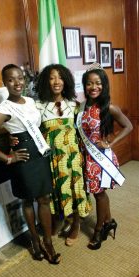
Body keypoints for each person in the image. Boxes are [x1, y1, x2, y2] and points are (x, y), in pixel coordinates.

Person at [0, 64, 61, 264]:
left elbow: (37, 125)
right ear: (4, 82)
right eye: (11, 79)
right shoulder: (4, 108)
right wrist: (8, 157)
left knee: (44, 199)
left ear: (25, 80)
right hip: (22, 158)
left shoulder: (31, 101)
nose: (17, 83)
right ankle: (34, 239)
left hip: (38, 153)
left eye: (20, 78)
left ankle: (47, 241)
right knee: (27, 200)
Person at [77, 63, 133, 250]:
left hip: (99, 159)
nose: (94, 87)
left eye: (98, 83)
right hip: (86, 156)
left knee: (99, 195)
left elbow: (128, 126)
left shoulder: (108, 107)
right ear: (84, 86)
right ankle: (109, 221)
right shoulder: (82, 107)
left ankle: (99, 229)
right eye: (89, 83)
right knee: (98, 193)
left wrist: (110, 143)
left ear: (104, 85)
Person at [35, 64, 92, 246]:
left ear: (66, 80)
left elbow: (85, 129)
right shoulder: (38, 106)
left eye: (60, 77)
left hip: (73, 157)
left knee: (75, 190)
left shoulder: (74, 105)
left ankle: (75, 224)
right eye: (52, 77)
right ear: (46, 81)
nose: (56, 81)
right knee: (58, 192)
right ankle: (60, 220)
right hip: (52, 160)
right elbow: (30, 130)